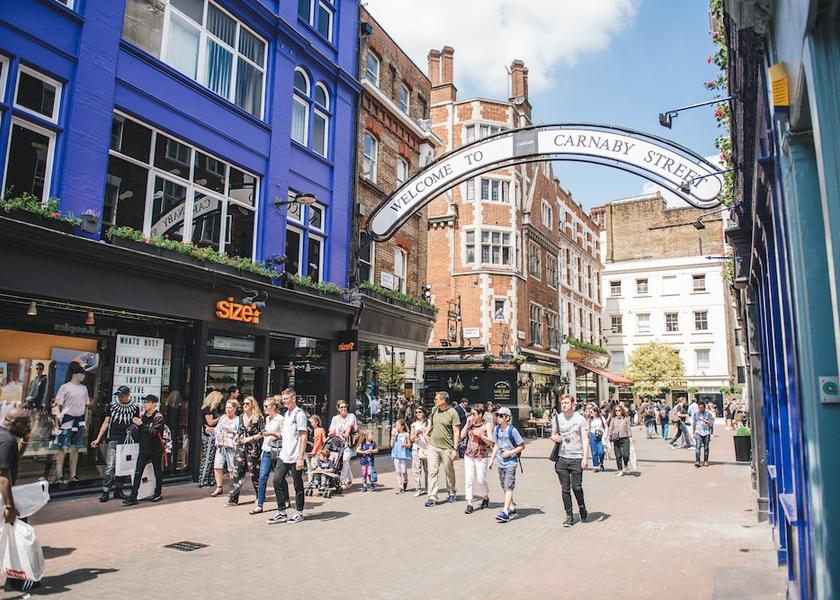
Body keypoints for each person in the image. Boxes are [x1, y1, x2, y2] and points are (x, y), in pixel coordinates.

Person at [91, 385, 140, 502]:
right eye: (118, 396)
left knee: (123, 465)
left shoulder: (134, 407)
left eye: (122, 396)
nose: (119, 398)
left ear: (128, 395)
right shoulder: (112, 406)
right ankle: (106, 490)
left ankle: (119, 489)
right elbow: (106, 422)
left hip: (127, 440)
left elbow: (136, 422)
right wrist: (98, 439)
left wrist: (133, 428)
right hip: (114, 438)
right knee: (110, 465)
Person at [267, 389, 308, 525]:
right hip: (284, 455)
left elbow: (303, 436)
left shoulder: (299, 414)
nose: (284, 401)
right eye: (283, 398)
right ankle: (281, 512)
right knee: (277, 481)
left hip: (295, 455)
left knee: (297, 484)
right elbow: (285, 435)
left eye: (286, 398)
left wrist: (300, 457)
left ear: (293, 399)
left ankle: (299, 512)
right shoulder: (287, 414)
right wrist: (272, 434)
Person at [551, 393, 588, 527]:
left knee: (576, 487)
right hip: (562, 458)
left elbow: (585, 439)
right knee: (565, 489)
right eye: (562, 403)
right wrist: (554, 438)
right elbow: (553, 435)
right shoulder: (557, 419)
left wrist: (585, 457)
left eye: (567, 403)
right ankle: (569, 515)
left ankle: (582, 507)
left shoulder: (580, 419)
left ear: (573, 404)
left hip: (576, 457)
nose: (564, 405)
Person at [52, 362, 91, 484]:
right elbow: (58, 406)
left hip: (79, 420)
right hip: (66, 420)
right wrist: (57, 422)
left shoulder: (84, 388)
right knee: (62, 448)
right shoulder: (65, 387)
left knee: (76, 448)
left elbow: (86, 406)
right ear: (76, 374)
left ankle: (73, 474)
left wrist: (85, 422)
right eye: (82, 374)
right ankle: (59, 475)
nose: (84, 376)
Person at [123, 395, 165, 505]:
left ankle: (158, 493)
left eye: (148, 402)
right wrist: (132, 428)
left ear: (154, 404)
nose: (145, 404)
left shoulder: (158, 417)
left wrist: (141, 425)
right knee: (138, 472)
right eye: (144, 402)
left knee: (157, 472)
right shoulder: (143, 415)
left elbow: (153, 433)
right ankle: (133, 496)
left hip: (155, 449)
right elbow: (139, 430)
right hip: (144, 448)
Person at [424, 391, 461, 507]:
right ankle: (432, 496)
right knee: (432, 471)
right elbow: (431, 423)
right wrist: (426, 432)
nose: (435, 401)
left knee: (448, 471)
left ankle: (451, 492)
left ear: (443, 400)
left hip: (447, 447)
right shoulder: (434, 410)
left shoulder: (452, 413)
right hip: (433, 446)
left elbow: (456, 432)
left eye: (437, 399)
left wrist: (455, 449)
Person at [489, 406, 525, 523]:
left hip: (511, 462)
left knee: (508, 485)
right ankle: (511, 506)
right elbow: (496, 445)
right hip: (500, 462)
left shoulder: (513, 431)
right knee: (504, 485)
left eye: (500, 415)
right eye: (497, 415)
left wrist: (510, 452)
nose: (498, 418)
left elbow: (522, 446)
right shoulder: (497, 429)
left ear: (507, 417)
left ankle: (505, 512)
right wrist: (492, 459)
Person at [228, 396, 264, 506]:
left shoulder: (259, 418)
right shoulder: (241, 417)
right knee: (237, 472)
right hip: (241, 447)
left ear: (253, 405)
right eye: (243, 403)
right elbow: (239, 431)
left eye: (247, 404)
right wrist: (235, 439)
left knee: (254, 473)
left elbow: (262, 433)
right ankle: (233, 499)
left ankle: (260, 497)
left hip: (253, 448)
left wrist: (251, 438)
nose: (244, 406)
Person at [0, 409, 31, 523]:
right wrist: (10, 507)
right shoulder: (8, 441)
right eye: (26, 424)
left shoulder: (4, 435)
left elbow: (13, 457)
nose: (29, 428)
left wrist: (25, 441)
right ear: (14, 423)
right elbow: (3, 476)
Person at [253, 396, 282, 515]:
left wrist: (272, 433)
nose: (264, 408)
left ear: (274, 407)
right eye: (264, 406)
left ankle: (284, 499)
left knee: (279, 478)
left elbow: (283, 435)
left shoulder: (281, 419)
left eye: (266, 406)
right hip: (266, 450)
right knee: (262, 476)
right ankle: (260, 504)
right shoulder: (267, 419)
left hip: (277, 450)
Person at [461, 403, 492, 514]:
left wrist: (481, 435)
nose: (472, 415)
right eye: (471, 413)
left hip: (481, 455)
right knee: (468, 479)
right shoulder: (470, 423)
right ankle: (469, 504)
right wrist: (467, 424)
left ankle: (485, 496)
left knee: (481, 479)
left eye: (474, 413)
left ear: (480, 414)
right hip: (469, 454)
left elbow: (490, 441)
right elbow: (461, 435)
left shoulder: (486, 425)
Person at [211, 399, 240, 497]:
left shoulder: (238, 420)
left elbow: (240, 433)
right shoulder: (223, 417)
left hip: (230, 446)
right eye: (227, 408)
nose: (228, 410)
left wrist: (230, 430)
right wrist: (211, 430)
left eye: (230, 408)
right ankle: (219, 487)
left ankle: (233, 488)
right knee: (217, 467)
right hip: (220, 445)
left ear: (235, 408)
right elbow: (217, 430)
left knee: (231, 468)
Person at [328, 400, 359, 487]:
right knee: (341, 461)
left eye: (345, 407)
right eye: (341, 407)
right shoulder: (335, 418)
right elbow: (332, 429)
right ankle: (349, 479)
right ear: (338, 409)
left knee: (345, 460)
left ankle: (341, 481)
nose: (344, 409)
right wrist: (330, 433)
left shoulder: (351, 416)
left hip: (348, 443)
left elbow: (350, 425)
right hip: (338, 444)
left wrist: (346, 434)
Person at [198, 390, 224, 488]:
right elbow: (210, 422)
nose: (219, 402)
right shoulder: (208, 409)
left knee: (212, 458)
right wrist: (221, 418)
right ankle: (203, 480)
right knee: (207, 457)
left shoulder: (212, 409)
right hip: (208, 435)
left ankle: (210, 479)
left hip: (212, 435)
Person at [607, 404, 633, 476]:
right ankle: (620, 470)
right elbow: (610, 428)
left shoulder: (626, 419)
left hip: (625, 437)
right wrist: (609, 435)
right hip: (616, 438)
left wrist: (630, 436)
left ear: (622, 410)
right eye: (616, 411)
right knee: (618, 455)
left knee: (626, 454)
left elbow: (628, 428)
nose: (617, 412)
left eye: (619, 410)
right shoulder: (613, 419)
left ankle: (625, 464)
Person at [410, 406, 429, 496]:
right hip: (416, 448)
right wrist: (416, 434)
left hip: (427, 448)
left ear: (424, 413)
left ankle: (428, 488)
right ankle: (418, 488)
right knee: (416, 469)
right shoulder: (414, 424)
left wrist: (424, 432)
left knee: (427, 469)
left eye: (420, 412)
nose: (418, 414)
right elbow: (411, 438)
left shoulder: (429, 422)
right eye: (416, 412)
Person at [390, 419, 412, 494]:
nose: (396, 427)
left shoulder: (406, 434)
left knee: (403, 471)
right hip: (396, 454)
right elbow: (391, 445)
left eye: (397, 425)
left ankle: (405, 480)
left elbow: (409, 445)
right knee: (398, 471)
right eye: (395, 425)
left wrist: (405, 445)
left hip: (403, 455)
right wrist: (393, 436)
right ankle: (400, 486)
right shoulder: (395, 434)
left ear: (402, 427)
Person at [692, 401, 715, 467]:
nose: (700, 409)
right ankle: (697, 461)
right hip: (698, 432)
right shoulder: (696, 414)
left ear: (704, 408)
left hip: (706, 433)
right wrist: (693, 432)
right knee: (698, 447)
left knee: (706, 447)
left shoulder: (708, 414)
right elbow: (694, 423)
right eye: (699, 408)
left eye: (702, 408)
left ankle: (705, 461)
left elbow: (711, 423)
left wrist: (705, 420)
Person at [306, 415, 326, 488]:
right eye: (310, 422)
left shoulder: (321, 430)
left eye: (312, 422)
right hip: (308, 451)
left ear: (317, 422)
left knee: (314, 466)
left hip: (317, 452)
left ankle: (316, 481)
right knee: (309, 467)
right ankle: (310, 482)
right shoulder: (309, 431)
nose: (311, 424)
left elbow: (324, 440)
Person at [587, 406, 606, 472]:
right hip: (592, 435)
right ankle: (596, 466)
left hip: (600, 435)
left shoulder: (601, 418)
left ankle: (601, 463)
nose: (590, 413)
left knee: (601, 452)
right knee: (594, 452)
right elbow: (587, 428)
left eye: (591, 412)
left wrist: (606, 434)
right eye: (589, 412)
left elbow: (606, 426)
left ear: (595, 412)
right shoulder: (590, 419)